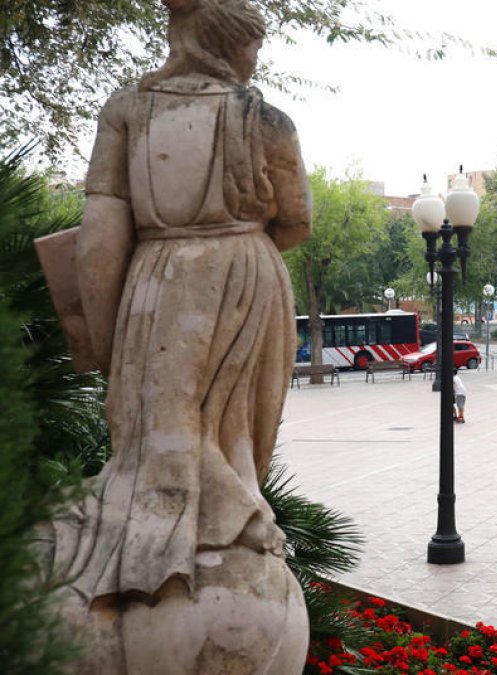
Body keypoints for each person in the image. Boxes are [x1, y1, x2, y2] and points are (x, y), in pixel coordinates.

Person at [54, 0, 311, 669]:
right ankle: (223, 527)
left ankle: (151, 540)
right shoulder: (270, 121)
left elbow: (100, 239)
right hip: (247, 278)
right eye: (253, 45)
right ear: (226, 43)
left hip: (154, 282)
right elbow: (297, 221)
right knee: (232, 438)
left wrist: (109, 338)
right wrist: (234, 240)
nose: (257, 59)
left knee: (154, 428)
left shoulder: (128, 111)